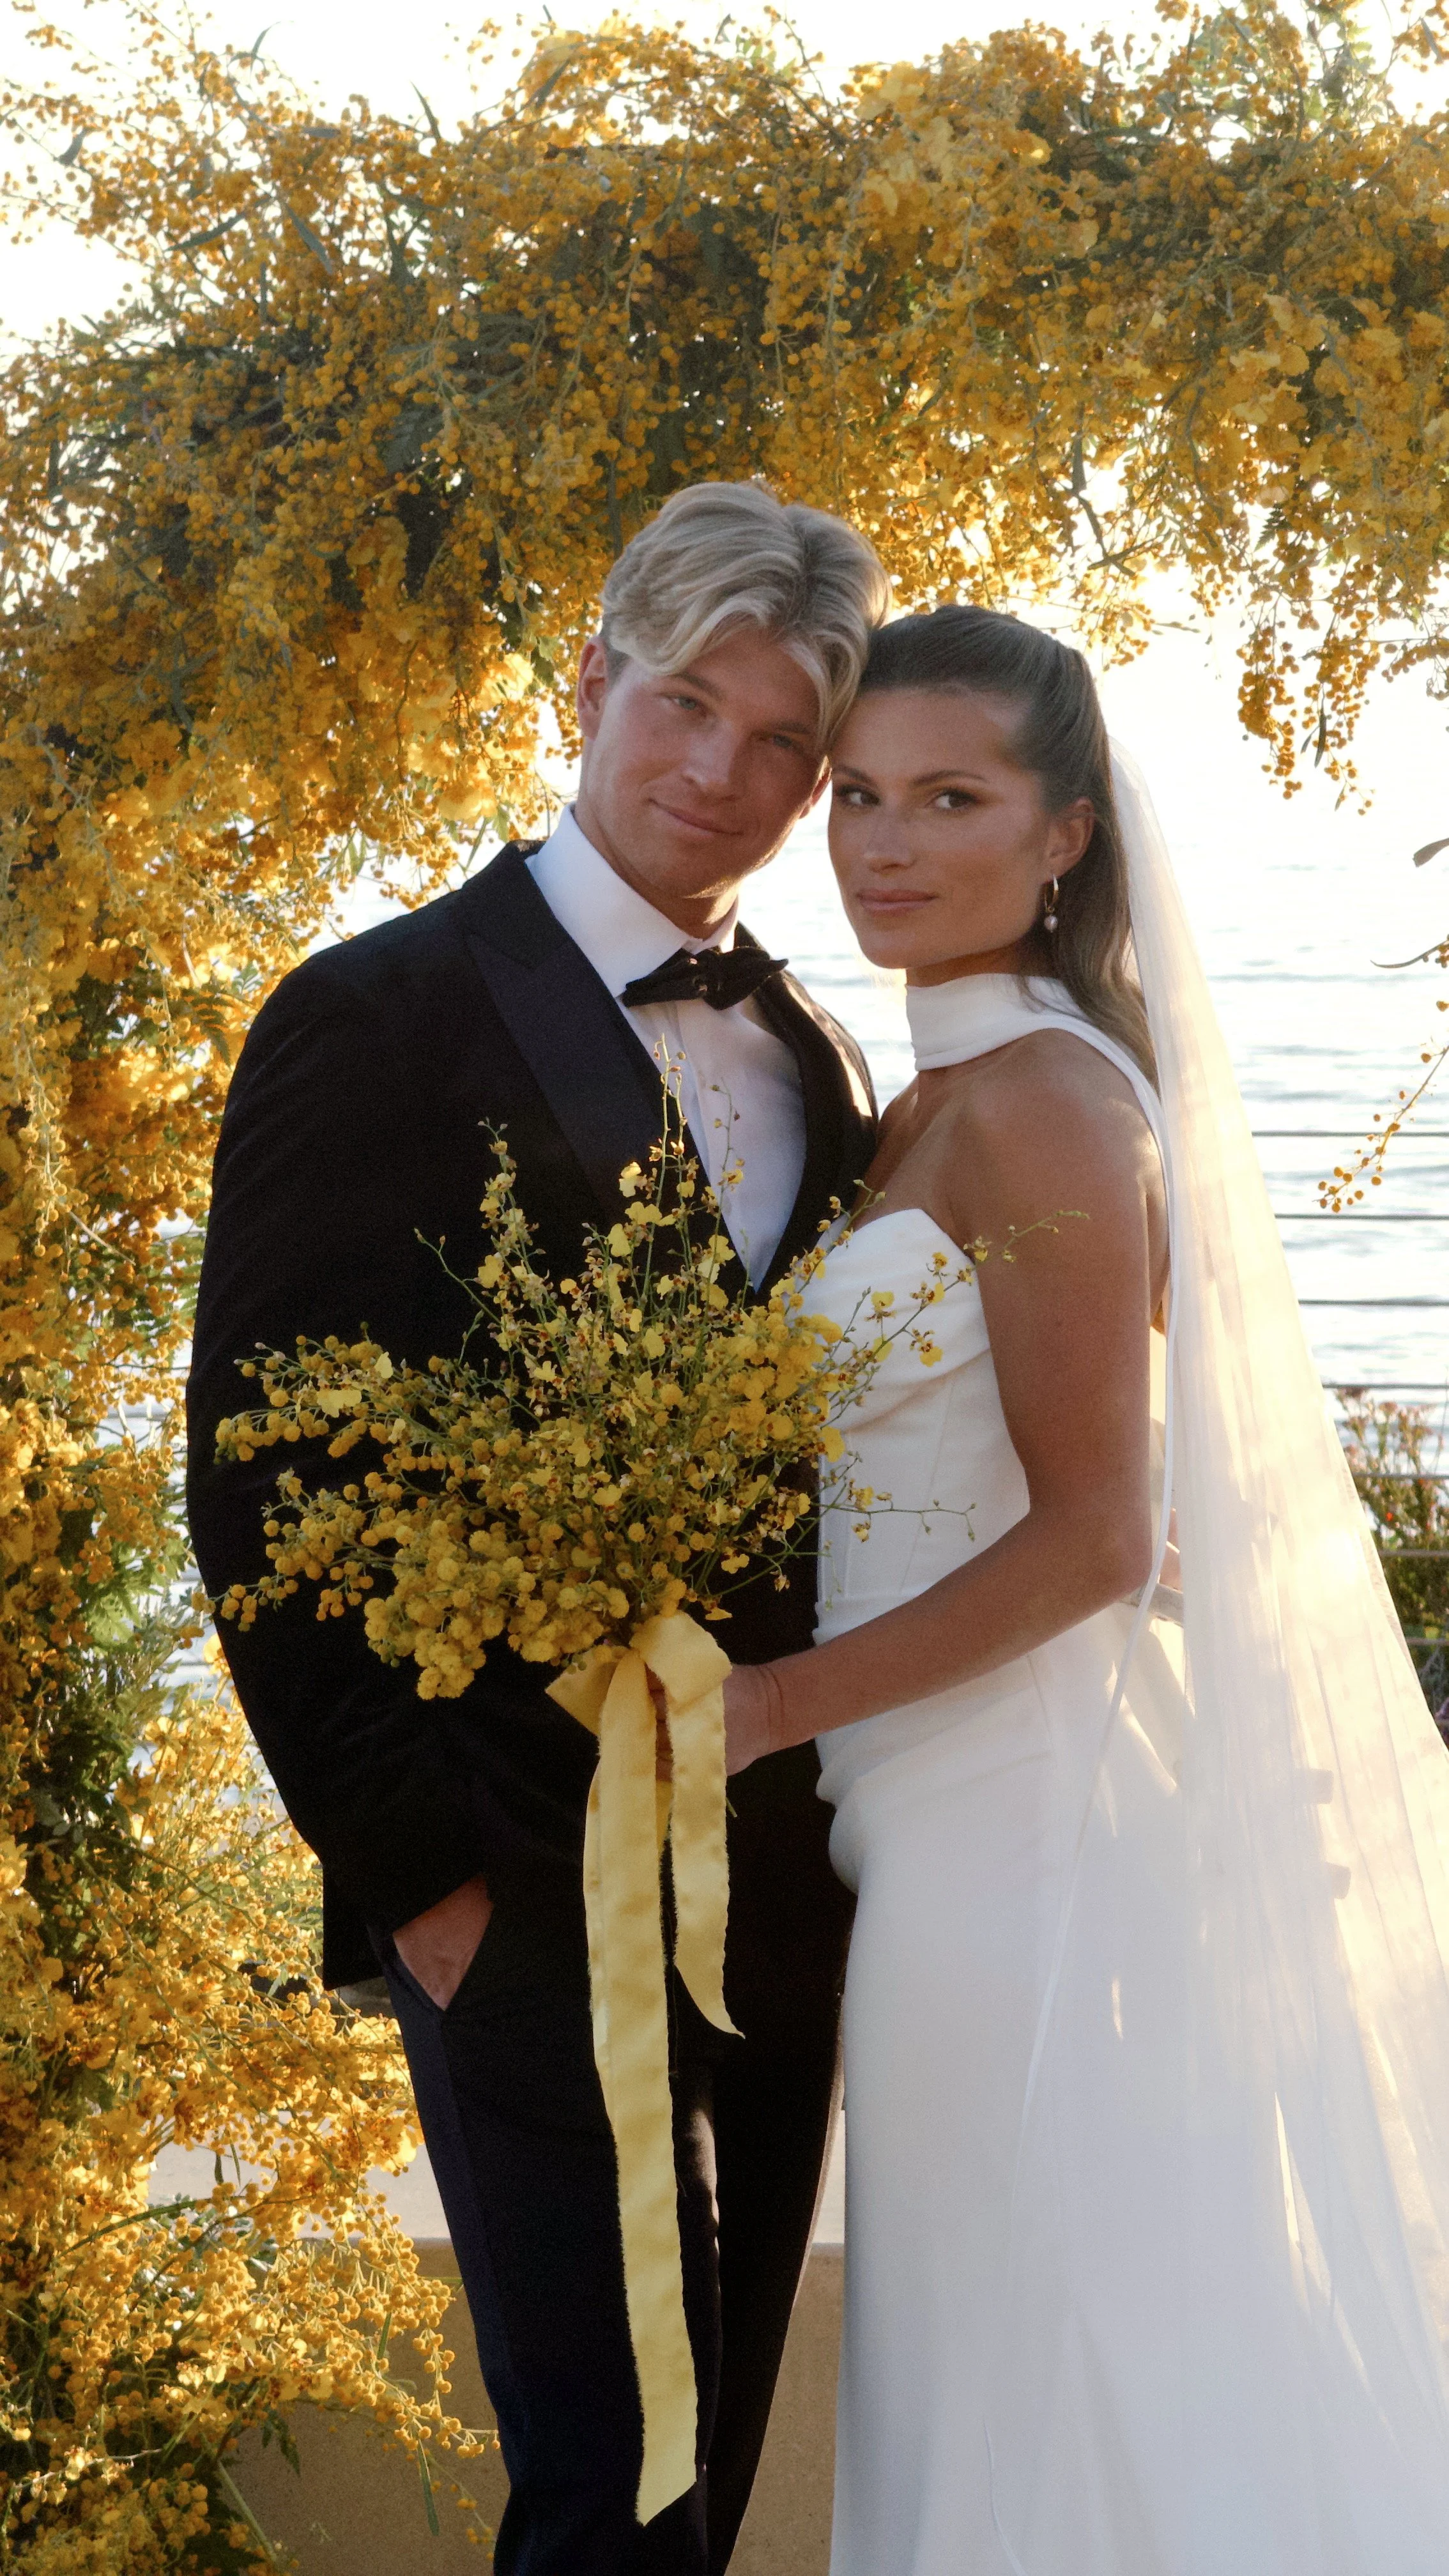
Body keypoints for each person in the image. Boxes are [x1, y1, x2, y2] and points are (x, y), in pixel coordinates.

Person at [185, 481, 890, 2576]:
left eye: (783, 743)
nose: (722, 777)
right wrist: (421, 1886)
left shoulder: (817, 1052)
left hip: (779, 1882)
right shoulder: (372, 1012)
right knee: (608, 2492)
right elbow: (255, 1482)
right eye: (684, 704)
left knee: (707, 2479)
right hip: (502, 1873)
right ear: (592, 680)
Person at [723, 604, 1449, 2572]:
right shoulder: (926, 1096)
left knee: (1042, 2359)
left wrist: (759, 1711)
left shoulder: (1043, 1103)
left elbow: (1101, 1538)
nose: (882, 843)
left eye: (949, 798)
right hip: (946, 1823)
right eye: (856, 794)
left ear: (1064, 835)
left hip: (1022, 1843)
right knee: (1017, 2351)